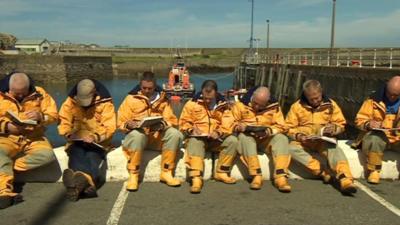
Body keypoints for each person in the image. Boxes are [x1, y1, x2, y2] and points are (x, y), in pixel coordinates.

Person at [286, 80, 357, 194]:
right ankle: (322, 172)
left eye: (317, 98)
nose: (315, 101)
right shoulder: (296, 107)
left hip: (323, 140)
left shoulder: (331, 105)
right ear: (305, 96)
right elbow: (288, 128)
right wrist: (299, 136)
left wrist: (334, 129)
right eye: (311, 99)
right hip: (304, 141)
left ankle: (345, 179)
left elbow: (341, 124)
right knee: (290, 149)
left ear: (321, 92)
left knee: (335, 150)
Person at [0, 72, 58, 209]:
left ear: (29, 87)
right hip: (6, 138)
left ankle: (6, 167)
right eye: (16, 93)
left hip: (34, 137)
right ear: (9, 88)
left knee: (47, 156)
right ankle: (4, 192)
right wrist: (6, 126)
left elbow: (54, 115)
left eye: (23, 93)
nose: (20, 96)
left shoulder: (40, 93)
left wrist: (41, 117)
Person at [118, 71, 183, 191]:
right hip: (137, 139)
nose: (147, 91)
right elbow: (120, 122)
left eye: (150, 88)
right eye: (144, 88)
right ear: (140, 85)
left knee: (175, 134)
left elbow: (172, 120)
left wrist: (163, 124)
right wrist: (129, 124)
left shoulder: (163, 99)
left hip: (156, 138)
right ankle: (134, 174)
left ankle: (166, 172)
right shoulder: (130, 99)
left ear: (155, 86)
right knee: (138, 135)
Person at [58, 79, 116, 201]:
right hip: (76, 141)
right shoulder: (70, 102)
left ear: (94, 93)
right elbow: (63, 122)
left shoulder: (106, 104)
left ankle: (78, 185)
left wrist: (95, 137)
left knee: (92, 158)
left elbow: (110, 127)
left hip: (97, 144)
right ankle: (85, 185)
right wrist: (68, 134)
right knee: (75, 155)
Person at [179, 80, 238, 193]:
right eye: (205, 97)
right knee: (195, 142)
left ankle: (222, 172)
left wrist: (218, 133)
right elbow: (183, 122)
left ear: (216, 93)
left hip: (216, 139)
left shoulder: (224, 106)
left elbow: (228, 124)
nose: (207, 100)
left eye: (210, 98)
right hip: (199, 138)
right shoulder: (192, 103)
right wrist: (192, 129)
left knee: (233, 141)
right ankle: (196, 177)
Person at [232, 86, 291, 192]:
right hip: (248, 136)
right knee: (245, 139)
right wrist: (239, 127)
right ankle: (256, 174)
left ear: (267, 102)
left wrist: (269, 131)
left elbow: (282, 126)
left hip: (265, 138)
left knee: (282, 139)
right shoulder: (240, 105)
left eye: (261, 105)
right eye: (255, 103)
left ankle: (280, 177)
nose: (257, 107)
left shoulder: (275, 107)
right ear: (252, 96)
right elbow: (231, 123)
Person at [354, 75, 400, 184]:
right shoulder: (372, 100)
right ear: (386, 88)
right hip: (379, 137)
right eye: (390, 94)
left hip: (397, 137)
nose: (392, 97)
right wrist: (369, 124)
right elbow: (359, 120)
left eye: (396, 95)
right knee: (374, 139)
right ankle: (374, 171)